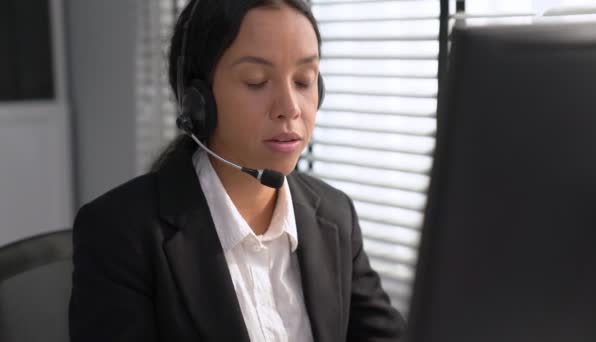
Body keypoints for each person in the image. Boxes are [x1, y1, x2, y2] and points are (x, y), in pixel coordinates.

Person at [69, 0, 406, 341]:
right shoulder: (119, 233)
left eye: (304, 81)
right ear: (197, 101)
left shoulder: (335, 216)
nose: (290, 108)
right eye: (257, 82)